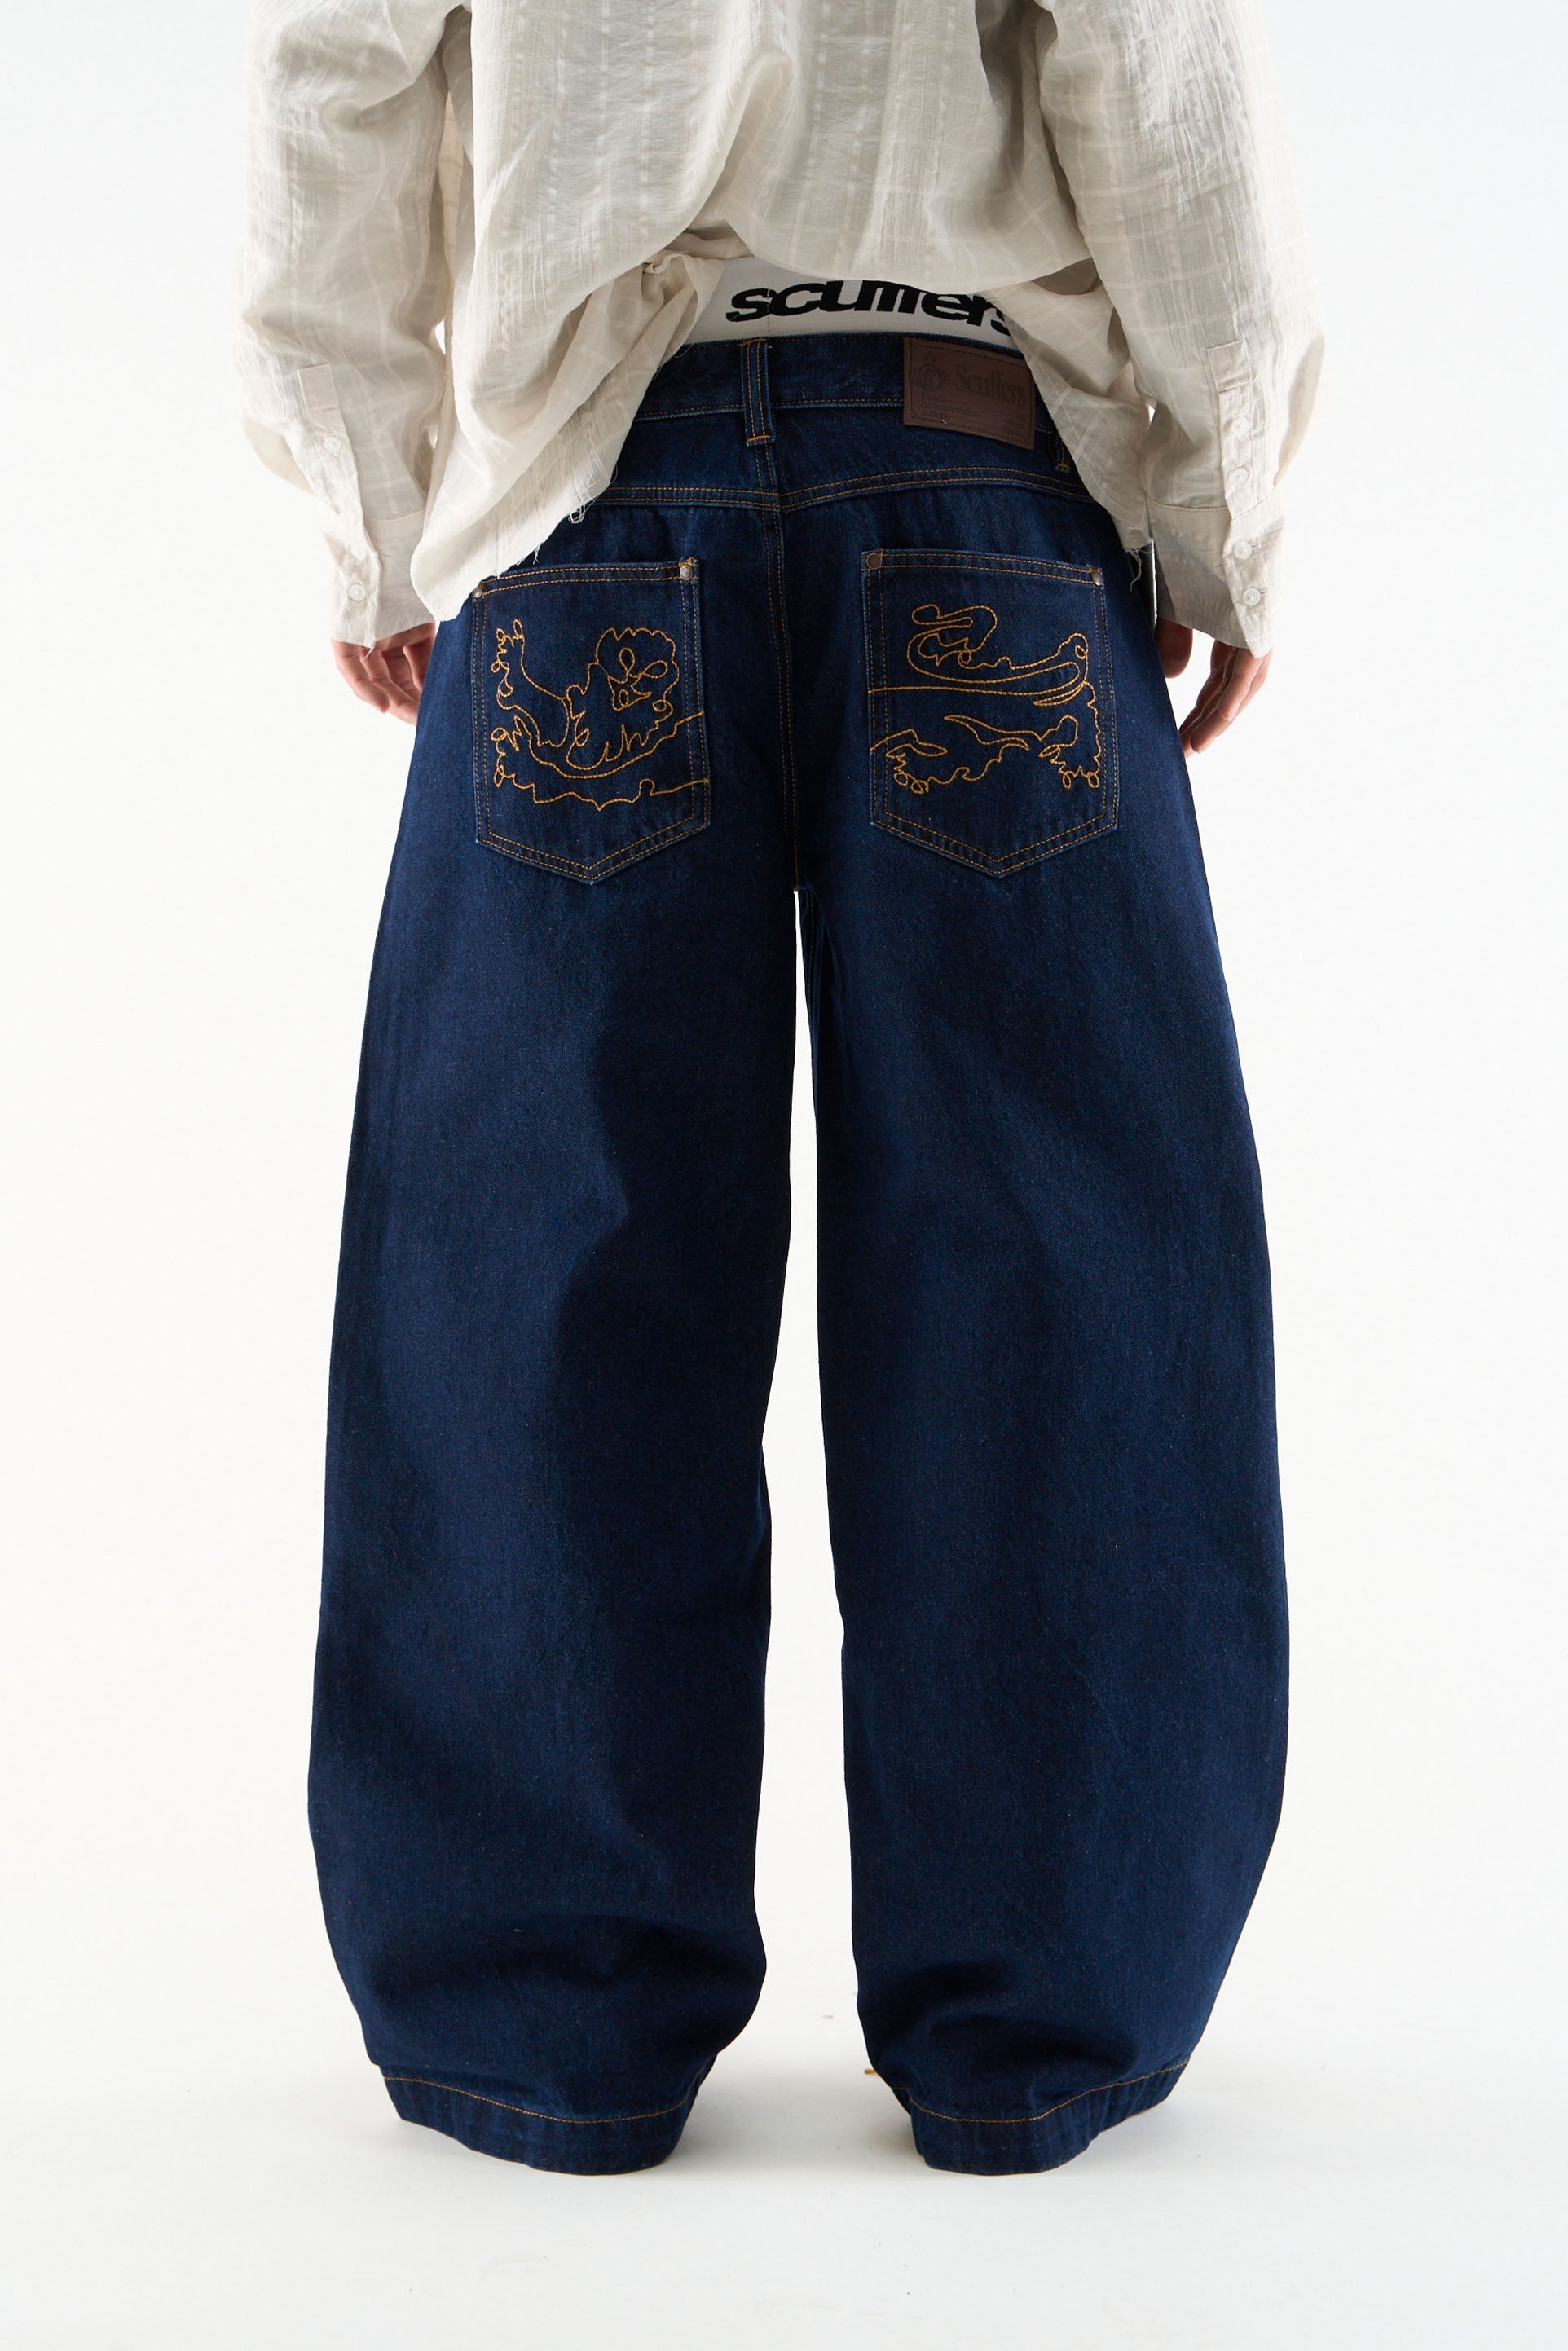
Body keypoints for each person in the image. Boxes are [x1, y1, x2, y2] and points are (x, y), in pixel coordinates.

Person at [236, 0, 1321, 2177]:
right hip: (980, 488)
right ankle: (1040, 2018)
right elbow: (1143, 62)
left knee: (538, 1285)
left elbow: (338, 73)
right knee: (1056, 1280)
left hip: (582, 504)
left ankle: (547, 2025)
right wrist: (1217, 512)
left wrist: (380, 507)